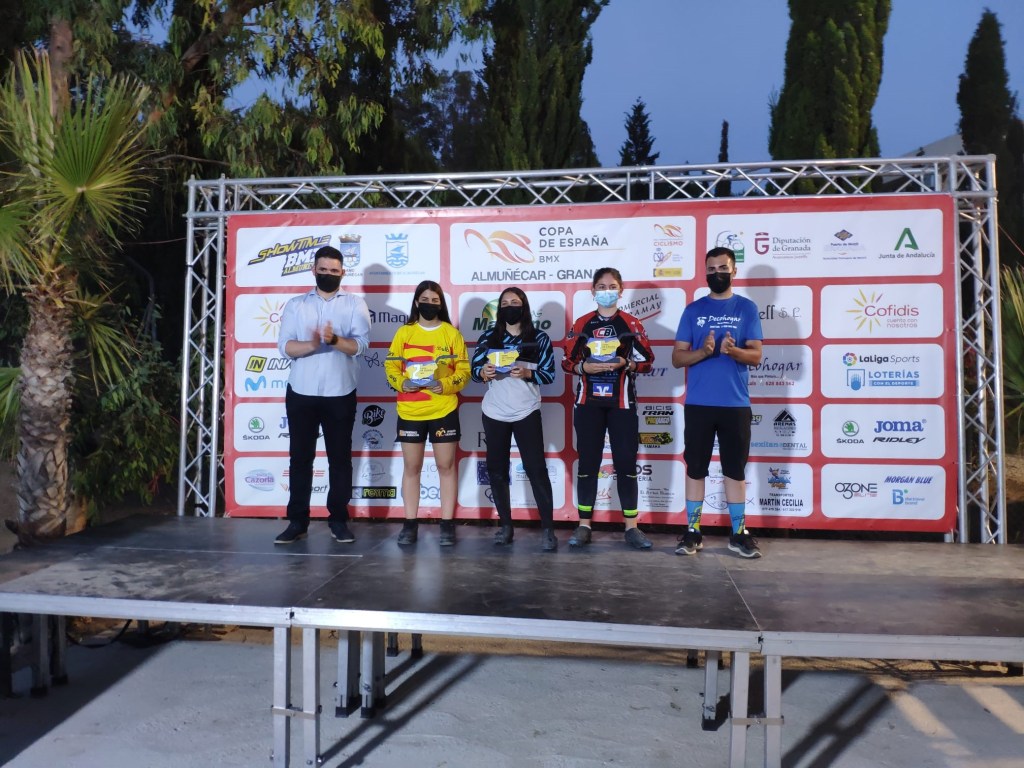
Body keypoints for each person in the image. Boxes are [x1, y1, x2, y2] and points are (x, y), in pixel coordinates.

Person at [274, 245, 371, 545]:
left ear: (343, 272)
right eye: (323, 270)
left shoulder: (355, 304)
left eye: (334, 270)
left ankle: (338, 520)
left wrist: (334, 340)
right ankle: (297, 522)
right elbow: (285, 347)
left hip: (340, 392)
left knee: (339, 460)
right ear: (313, 270)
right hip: (301, 392)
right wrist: (313, 345)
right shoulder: (296, 305)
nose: (328, 274)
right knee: (300, 459)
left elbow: (360, 346)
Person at [672, 246, 764, 558]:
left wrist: (733, 351)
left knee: (734, 470)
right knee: (696, 468)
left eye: (723, 268)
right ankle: (692, 531)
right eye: (711, 269)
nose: (717, 273)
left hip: (735, 404)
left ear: (734, 270)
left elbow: (756, 355)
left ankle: (738, 533)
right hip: (699, 404)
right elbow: (677, 358)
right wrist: (704, 352)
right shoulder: (693, 310)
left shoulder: (747, 308)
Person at [562, 267, 655, 550]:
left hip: (621, 404)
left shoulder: (631, 323)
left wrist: (627, 364)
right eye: (601, 287)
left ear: (621, 290)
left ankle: (632, 527)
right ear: (593, 291)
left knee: (625, 463)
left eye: (612, 286)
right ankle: (584, 525)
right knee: (588, 463)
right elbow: (567, 361)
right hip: (588, 404)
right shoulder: (582, 324)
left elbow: (647, 362)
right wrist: (582, 368)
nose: (606, 291)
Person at [470, 287, 558, 552]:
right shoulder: (488, 337)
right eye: (505, 303)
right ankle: (506, 526)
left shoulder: (539, 338)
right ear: (500, 309)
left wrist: (528, 374)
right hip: (494, 412)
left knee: (536, 469)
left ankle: (548, 530)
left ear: (524, 306)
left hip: (526, 411)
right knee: (497, 471)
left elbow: (549, 374)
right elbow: (474, 371)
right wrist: (483, 372)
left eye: (515, 302)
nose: (510, 307)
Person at [385, 281, 469, 546]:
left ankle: (447, 524)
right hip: (410, 410)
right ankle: (410, 523)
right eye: (425, 299)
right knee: (412, 467)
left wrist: (445, 384)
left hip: (443, 409)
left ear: (441, 303)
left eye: (435, 300)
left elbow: (464, 372)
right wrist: (402, 383)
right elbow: (391, 368)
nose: (430, 304)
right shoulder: (404, 333)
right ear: (416, 302)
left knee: (446, 466)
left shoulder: (451, 334)